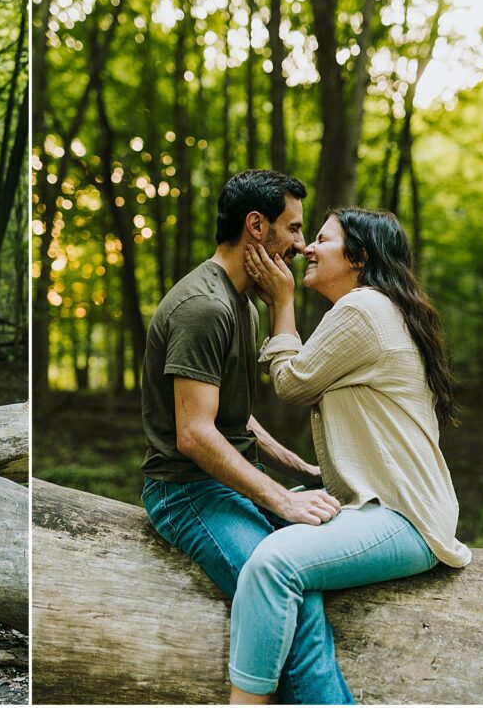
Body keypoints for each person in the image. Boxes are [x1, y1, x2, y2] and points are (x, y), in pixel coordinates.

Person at [228, 207, 471, 704]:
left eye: (322, 239)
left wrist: (281, 302)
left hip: (404, 516)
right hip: (384, 507)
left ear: (358, 257)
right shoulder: (379, 308)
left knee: (273, 563)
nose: (306, 249)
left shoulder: (363, 310)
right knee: (265, 517)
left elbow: (291, 384)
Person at [140, 169, 354, 705]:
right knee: (290, 598)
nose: (301, 245)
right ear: (256, 226)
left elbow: (227, 414)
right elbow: (193, 434)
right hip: (185, 492)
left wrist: (290, 467)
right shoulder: (204, 308)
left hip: (230, 485)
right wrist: (280, 499)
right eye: (293, 229)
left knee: (312, 563)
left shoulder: (241, 302)